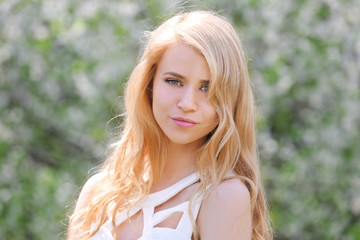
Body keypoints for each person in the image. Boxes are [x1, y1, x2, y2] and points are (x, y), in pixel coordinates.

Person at [67, 10, 272, 240]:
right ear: (149, 83)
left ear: (230, 97)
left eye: (207, 88)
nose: (187, 104)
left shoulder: (223, 196)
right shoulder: (99, 192)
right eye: (174, 81)